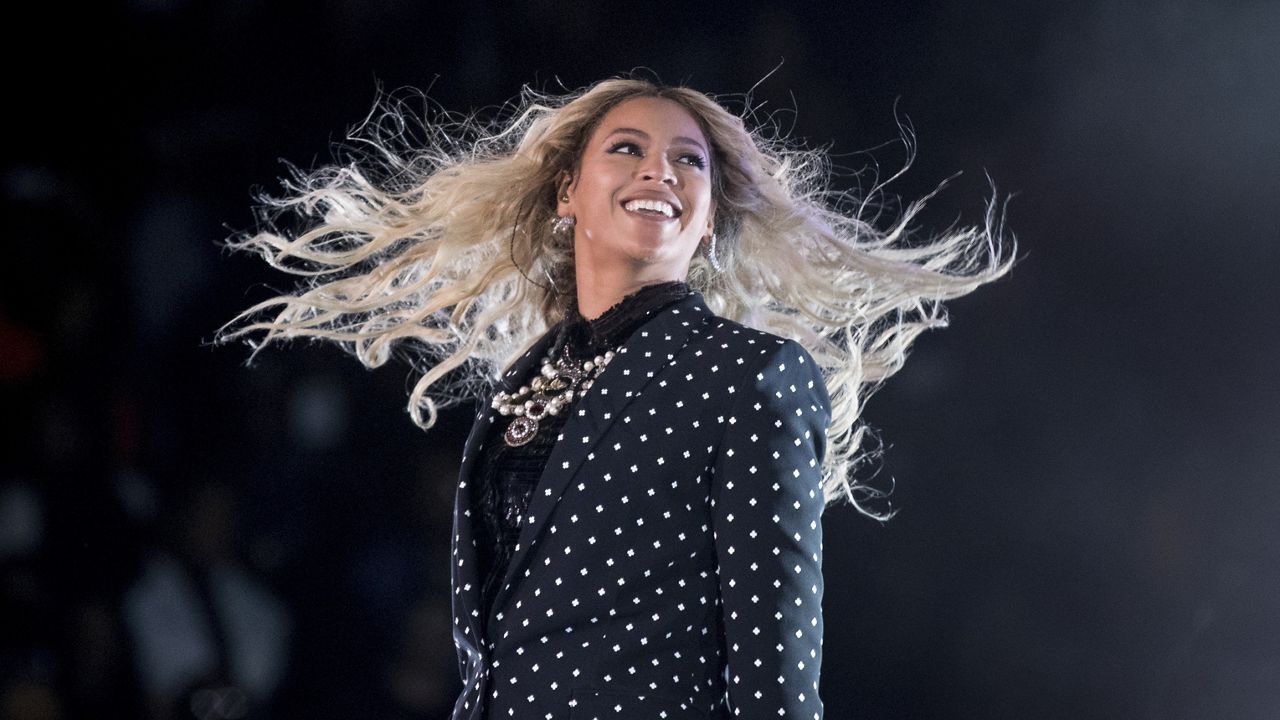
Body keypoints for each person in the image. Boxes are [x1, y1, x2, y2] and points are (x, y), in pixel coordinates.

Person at [219, 77, 1011, 719]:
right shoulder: (521, 385)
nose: (658, 170)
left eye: (688, 161)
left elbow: (777, 669)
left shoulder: (750, 374)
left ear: (707, 224)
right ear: (567, 193)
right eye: (627, 148)